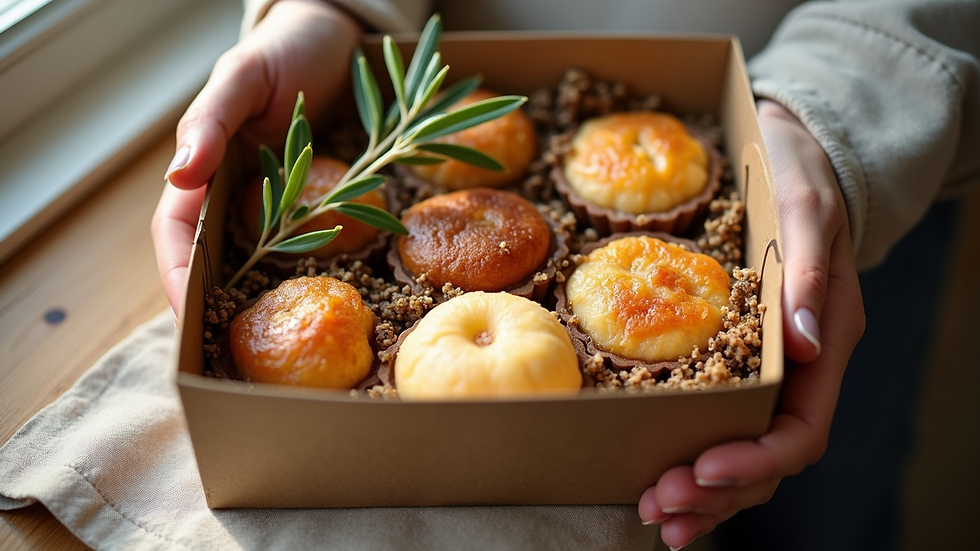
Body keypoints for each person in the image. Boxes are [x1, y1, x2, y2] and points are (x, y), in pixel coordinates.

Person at [151, 1, 980, 549]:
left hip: (839, 150)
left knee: (835, 506)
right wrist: (328, 10)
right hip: (421, 76)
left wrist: (831, 108)